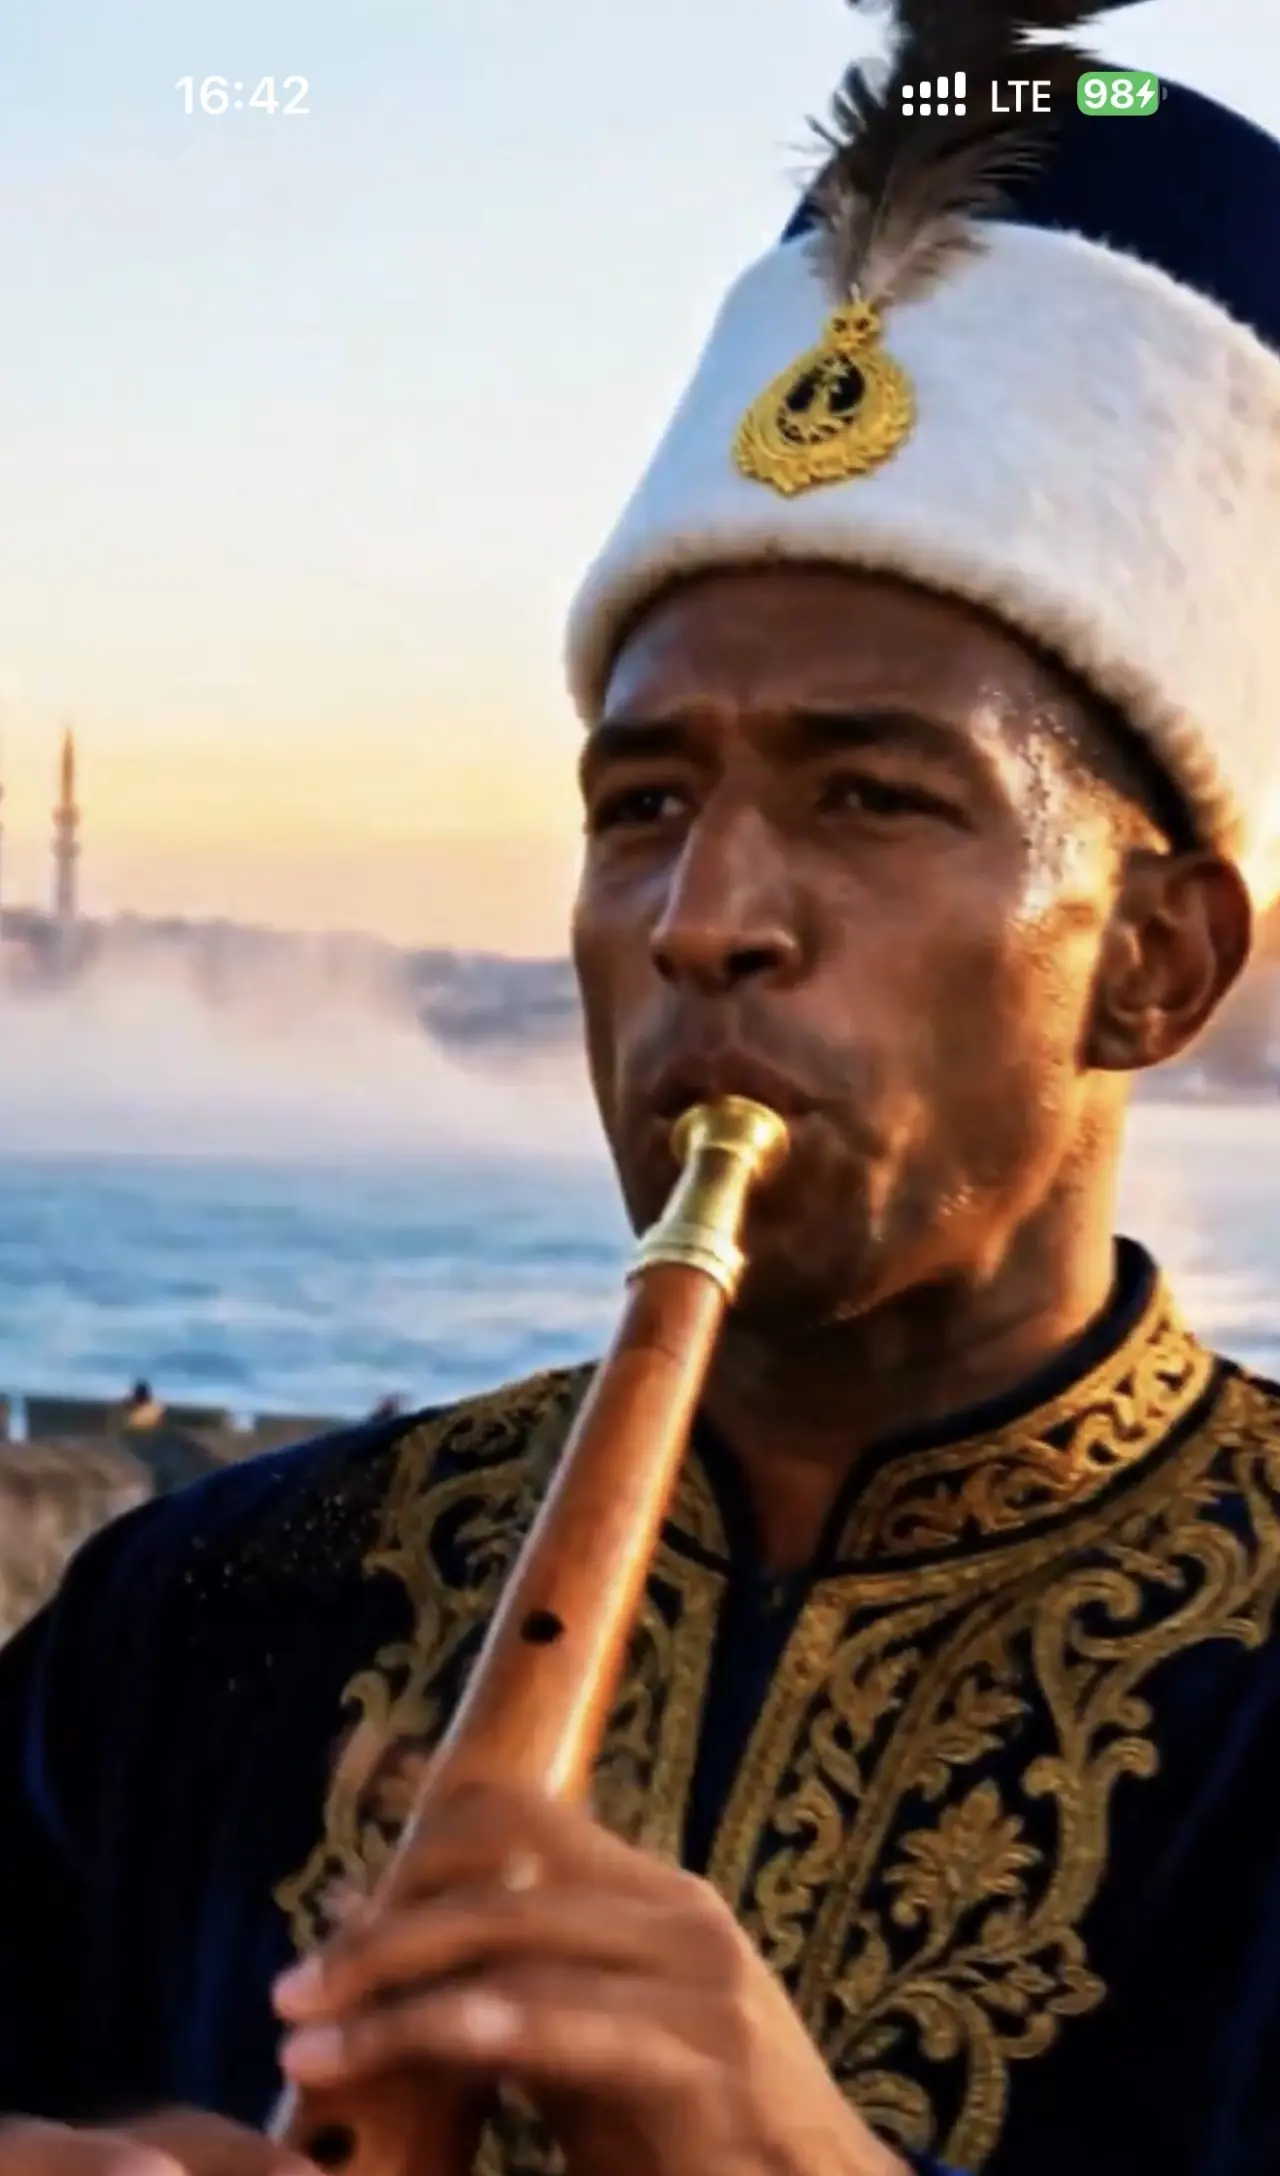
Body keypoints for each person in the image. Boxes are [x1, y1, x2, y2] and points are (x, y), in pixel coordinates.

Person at [3, 8, 1280, 2176]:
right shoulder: (209, 1613)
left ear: (1154, 962)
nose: (704, 919)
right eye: (642, 804)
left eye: (872, 797)